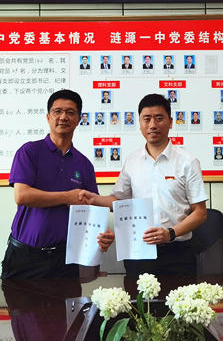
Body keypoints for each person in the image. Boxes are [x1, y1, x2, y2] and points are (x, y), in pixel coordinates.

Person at [82, 94, 208, 276]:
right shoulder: (132, 161)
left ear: (170, 122)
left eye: (159, 118)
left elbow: (200, 212)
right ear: (140, 123)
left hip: (178, 252)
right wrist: (94, 199)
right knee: (137, 295)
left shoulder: (187, 161)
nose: (152, 125)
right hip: (139, 251)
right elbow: (119, 201)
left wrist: (170, 233)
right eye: (147, 119)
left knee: (180, 296)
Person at [1, 90, 114, 280]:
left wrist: (103, 232)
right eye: (57, 111)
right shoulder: (30, 151)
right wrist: (67, 197)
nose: (63, 117)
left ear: (79, 120)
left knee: (66, 301)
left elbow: (90, 209)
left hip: (65, 259)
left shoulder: (84, 164)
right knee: (17, 300)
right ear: (48, 117)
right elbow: (22, 196)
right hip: (24, 256)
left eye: (70, 112)